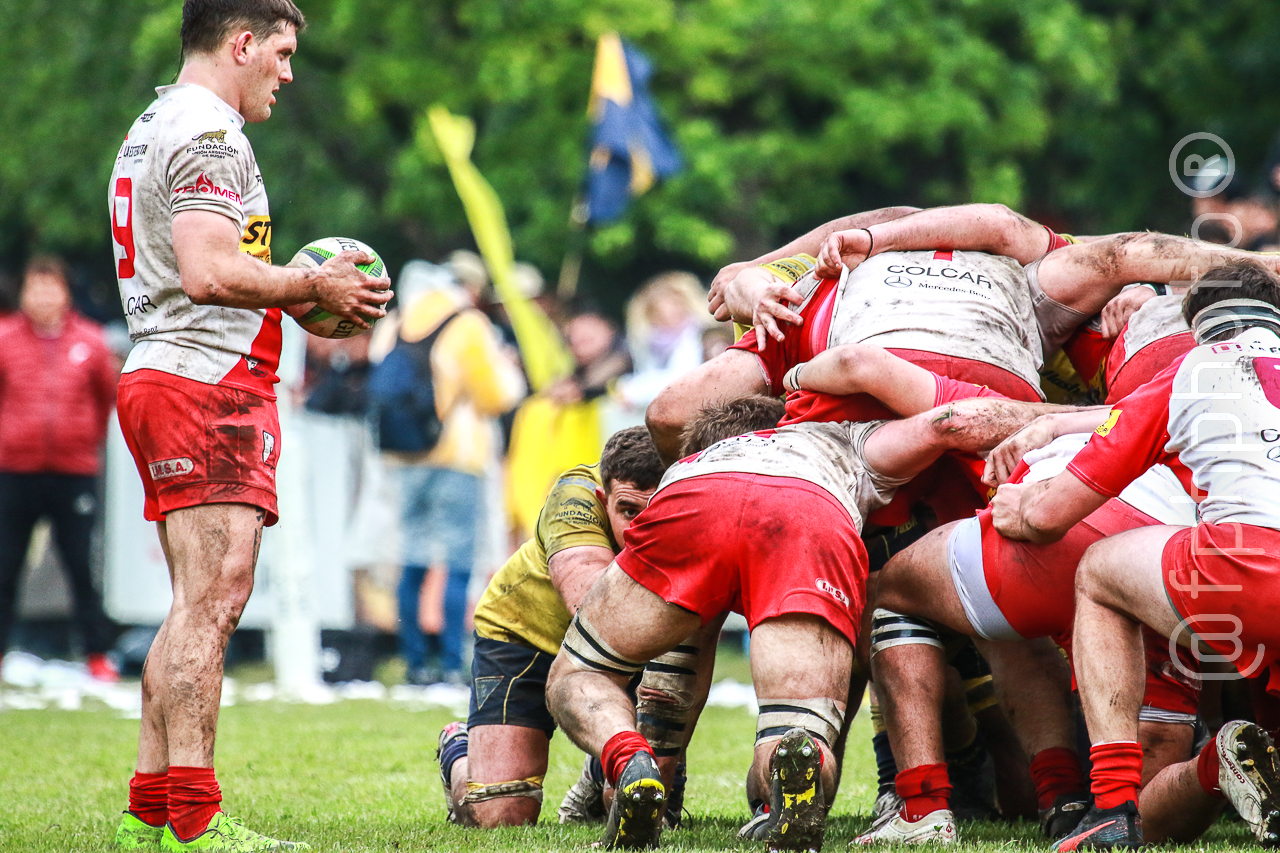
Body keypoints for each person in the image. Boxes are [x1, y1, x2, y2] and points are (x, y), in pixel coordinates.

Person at [547, 345, 1062, 850]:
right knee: (798, 724)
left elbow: (663, 414)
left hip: (697, 494)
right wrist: (1078, 417)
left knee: (577, 673)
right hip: (804, 506)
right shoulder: (842, 435)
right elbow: (949, 422)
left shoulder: (695, 456)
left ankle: (629, 759)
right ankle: (793, 763)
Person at [108, 2, 394, 849]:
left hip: (168, 372)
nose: (288, 72)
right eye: (282, 51)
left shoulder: (156, 122)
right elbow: (208, 271)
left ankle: (149, 813)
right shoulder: (210, 134)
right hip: (205, 382)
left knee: (190, 606)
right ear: (241, 44)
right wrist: (315, 287)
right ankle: (195, 821)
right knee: (212, 606)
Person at [990, 259, 1280, 850]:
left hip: (1244, 570)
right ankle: (1220, 764)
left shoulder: (1188, 370)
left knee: (1098, 571)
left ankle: (1111, 803)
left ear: (1198, 327)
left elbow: (1050, 517)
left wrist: (1017, 507)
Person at [433, 426, 671, 827]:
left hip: (635, 646)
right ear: (604, 500)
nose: (641, 530)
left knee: (641, 802)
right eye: (629, 512)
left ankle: (598, 775)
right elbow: (591, 607)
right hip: (525, 633)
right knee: (501, 814)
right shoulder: (575, 495)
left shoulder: (697, 491)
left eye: (657, 514)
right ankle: (458, 749)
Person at [388, 261, 526, 686]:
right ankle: (451, 662)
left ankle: (414, 662)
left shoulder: (397, 320)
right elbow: (496, 396)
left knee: (412, 557)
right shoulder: (467, 323)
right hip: (458, 454)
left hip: (404, 453)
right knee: (458, 560)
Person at [0, 256, 119, 682]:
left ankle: (97, 654)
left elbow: (106, 399)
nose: (43, 296)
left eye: (51, 287)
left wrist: (83, 441)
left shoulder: (91, 340)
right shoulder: (5, 338)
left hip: (73, 471)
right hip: (15, 470)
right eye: (35, 287)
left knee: (81, 567)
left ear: (66, 293)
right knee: (5, 566)